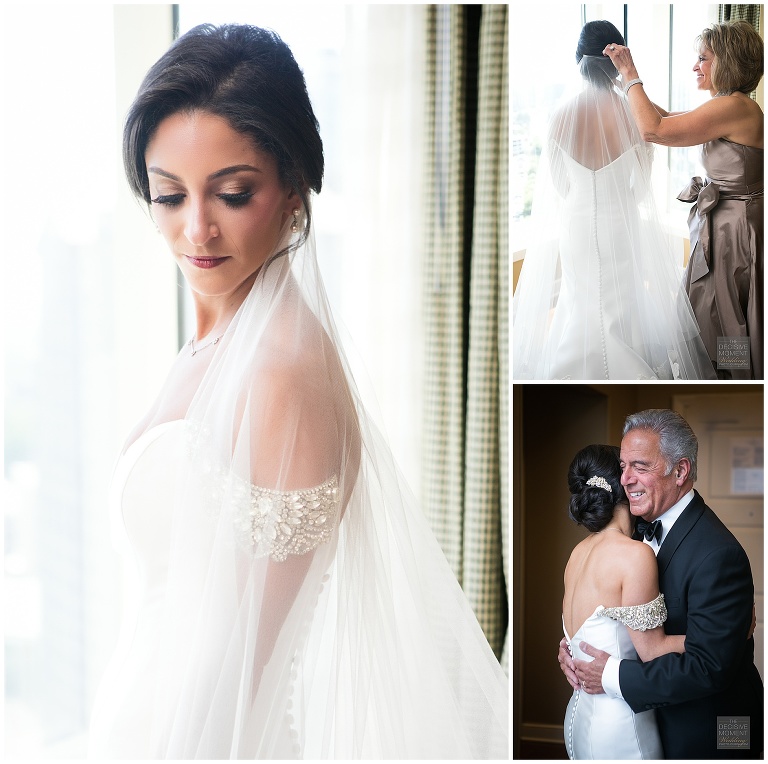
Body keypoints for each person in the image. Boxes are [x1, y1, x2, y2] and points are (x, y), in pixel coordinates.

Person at [87, 23, 508, 759]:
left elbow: (240, 667)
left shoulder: (282, 369)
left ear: (293, 187)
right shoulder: (217, 335)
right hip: (141, 720)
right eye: (168, 195)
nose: (196, 229)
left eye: (233, 193)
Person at [512, 20, 715, 380]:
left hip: (576, 225)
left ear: (580, 61)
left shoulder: (559, 116)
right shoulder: (633, 113)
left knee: (579, 298)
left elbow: (560, 186)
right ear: (616, 62)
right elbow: (639, 189)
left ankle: (573, 364)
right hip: (620, 223)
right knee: (623, 299)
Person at [559, 409, 763, 759]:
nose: (625, 479)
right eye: (622, 467)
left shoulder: (718, 553)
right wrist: (573, 650)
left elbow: (709, 667)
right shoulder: (628, 539)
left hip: (709, 731)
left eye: (640, 466)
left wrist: (610, 675)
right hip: (639, 723)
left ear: (680, 471)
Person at [603, 21, 764, 379]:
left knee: (727, 312)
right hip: (723, 226)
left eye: (703, 58)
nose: (695, 66)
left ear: (727, 62)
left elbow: (653, 130)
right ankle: (725, 373)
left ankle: (731, 377)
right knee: (717, 309)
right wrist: (622, 87)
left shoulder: (736, 108)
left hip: (735, 234)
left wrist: (631, 73)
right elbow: (662, 117)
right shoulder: (729, 106)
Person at [562, 444, 686, 758]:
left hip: (577, 715)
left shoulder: (578, 553)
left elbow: (579, 637)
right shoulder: (634, 555)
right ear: (623, 485)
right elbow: (652, 649)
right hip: (620, 722)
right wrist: (725, 630)